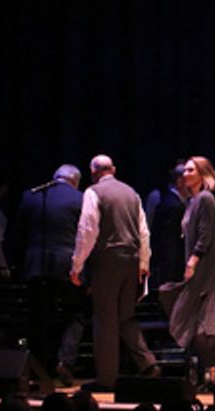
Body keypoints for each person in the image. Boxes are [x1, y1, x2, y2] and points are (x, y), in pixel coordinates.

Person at [70, 154, 160, 388]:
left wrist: (77, 265)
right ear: (114, 169)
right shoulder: (132, 193)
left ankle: (107, 379)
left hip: (107, 260)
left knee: (105, 320)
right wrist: (143, 264)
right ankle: (148, 363)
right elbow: (144, 232)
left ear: (92, 173)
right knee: (126, 317)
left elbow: (87, 230)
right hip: (131, 261)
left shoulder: (93, 192)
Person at [16, 164, 86, 384]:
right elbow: (86, 235)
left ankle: (37, 368)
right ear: (75, 181)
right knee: (75, 312)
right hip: (67, 266)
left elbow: (18, 233)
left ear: (55, 177)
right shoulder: (80, 198)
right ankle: (65, 362)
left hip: (35, 266)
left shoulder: (31, 196)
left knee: (38, 316)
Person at [165, 157, 215, 385]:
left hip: (204, 269)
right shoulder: (193, 201)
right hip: (197, 268)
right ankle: (205, 371)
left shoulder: (206, 199)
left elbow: (205, 235)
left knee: (202, 322)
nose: (185, 173)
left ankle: (212, 371)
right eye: (185, 170)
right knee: (196, 321)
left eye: (191, 170)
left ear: (202, 173)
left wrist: (193, 262)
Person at [145, 162, 187, 288]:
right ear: (180, 182)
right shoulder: (174, 206)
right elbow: (170, 243)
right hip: (171, 269)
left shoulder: (169, 201)